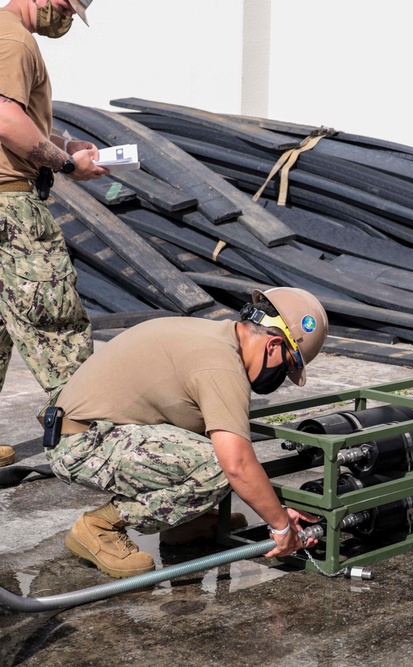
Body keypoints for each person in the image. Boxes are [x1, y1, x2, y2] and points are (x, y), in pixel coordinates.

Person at [47, 287, 329, 578]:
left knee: (215, 438)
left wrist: (275, 510)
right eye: (289, 366)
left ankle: (181, 522)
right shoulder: (221, 365)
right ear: (272, 346)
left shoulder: (214, 338)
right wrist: (280, 526)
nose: (282, 377)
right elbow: (237, 466)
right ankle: (101, 526)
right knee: (220, 463)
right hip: (81, 443)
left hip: (87, 429)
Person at [0, 0, 107, 469]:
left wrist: (65, 143)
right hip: (10, 204)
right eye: (63, 6)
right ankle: (92, 441)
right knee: (55, 320)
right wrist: (66, 164)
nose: (64, 18)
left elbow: (17, 119)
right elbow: (4, 119)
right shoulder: (14, 40)